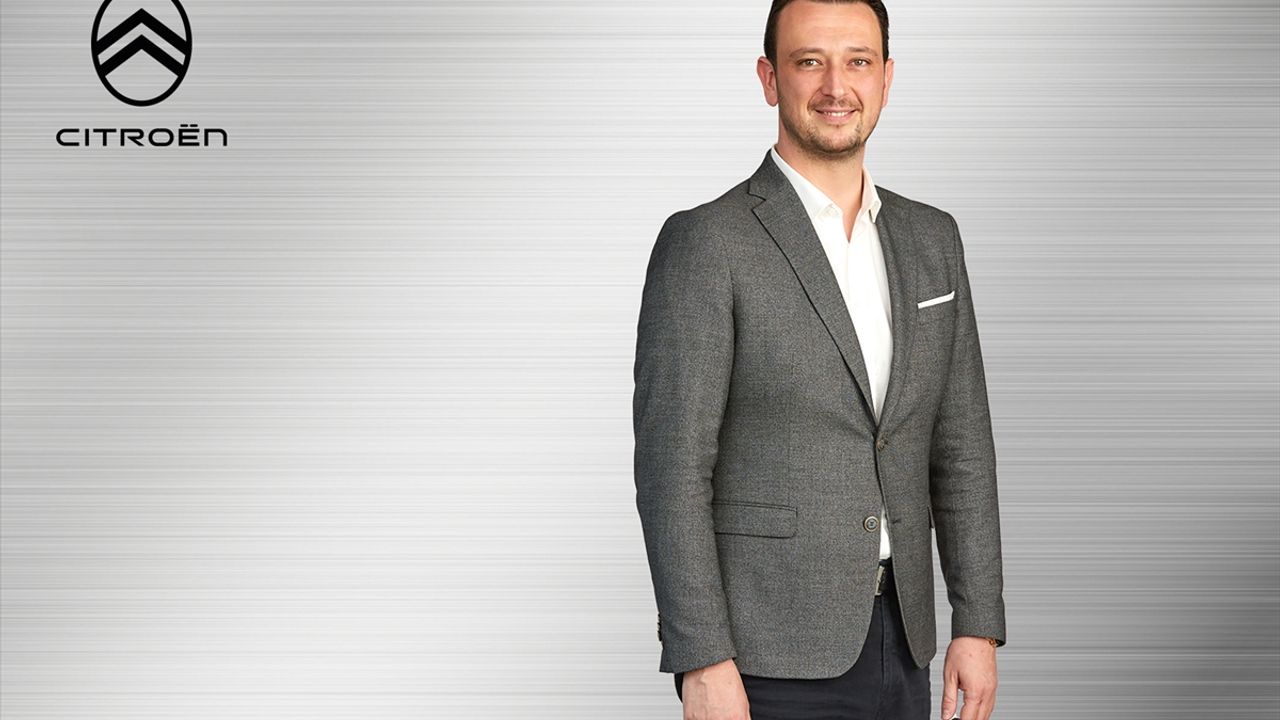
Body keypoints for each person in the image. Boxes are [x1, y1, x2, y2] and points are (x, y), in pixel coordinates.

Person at [632, 1, 1007, 718]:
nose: (837, 86)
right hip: (763, 657)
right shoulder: (707, 243)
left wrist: (977, 621)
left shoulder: (933, 239)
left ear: (886, 79)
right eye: (810, 62)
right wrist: (700, 657)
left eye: (857, 61)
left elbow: (962, 445)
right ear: (769, 78)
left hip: (907, 643)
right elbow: (671, 468)